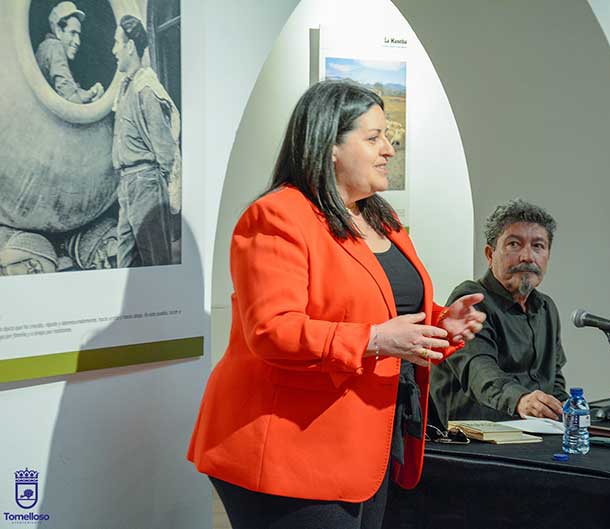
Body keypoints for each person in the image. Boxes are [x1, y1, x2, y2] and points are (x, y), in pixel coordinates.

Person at [187, 80, 485, 529]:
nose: (389, 149)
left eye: (388, 136)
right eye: (374, 137)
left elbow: (379, 306)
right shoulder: (276, 216)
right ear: (329, 146)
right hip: (290, 447)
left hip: (367, 444)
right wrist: (376, 339)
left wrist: (443, 324)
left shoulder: (381, 218)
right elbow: (272, 330)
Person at [430, 198, 568, 426]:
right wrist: (521, 400)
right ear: (489, 254)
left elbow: (553, 380)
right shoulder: (471, 299)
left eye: (538, 246)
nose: (527, 256)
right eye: (514, 244)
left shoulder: (546, 308)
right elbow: (479, 371)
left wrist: (568, 410)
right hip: (476, 436)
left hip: (536, 432)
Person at [111, 15, 181, 267]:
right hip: (127, 186)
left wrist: (162, 191)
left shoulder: (146, 89)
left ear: (130, 46)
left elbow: (166, 151)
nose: (113, 50)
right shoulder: (126, 88)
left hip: (145, 184)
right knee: (125, 263)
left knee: (156, 262)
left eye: (117, 43)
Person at [35, 1, 104, 103]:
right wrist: (92, 95)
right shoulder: (54, 46)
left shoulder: (47, 47)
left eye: (78, 35)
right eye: (72, 33)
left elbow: (70, 91)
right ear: (59, 31)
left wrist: (90, 93)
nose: (78, 42)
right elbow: (71, 98)